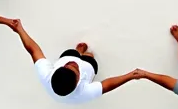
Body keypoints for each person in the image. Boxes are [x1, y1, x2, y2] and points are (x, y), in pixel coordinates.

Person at [9, 21, 142, 104]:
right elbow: (106, 85)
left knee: (73, 53)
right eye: (75, 69)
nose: (75, 64)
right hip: (88, 68)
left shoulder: (46, 75)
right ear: (78, 80)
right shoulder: (83, 94)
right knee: (89, 56)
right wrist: (129, 76)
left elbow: (33, 50)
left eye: (68, 66)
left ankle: (77, 51)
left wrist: (20, 29)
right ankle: (85, 55)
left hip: (66, 56)